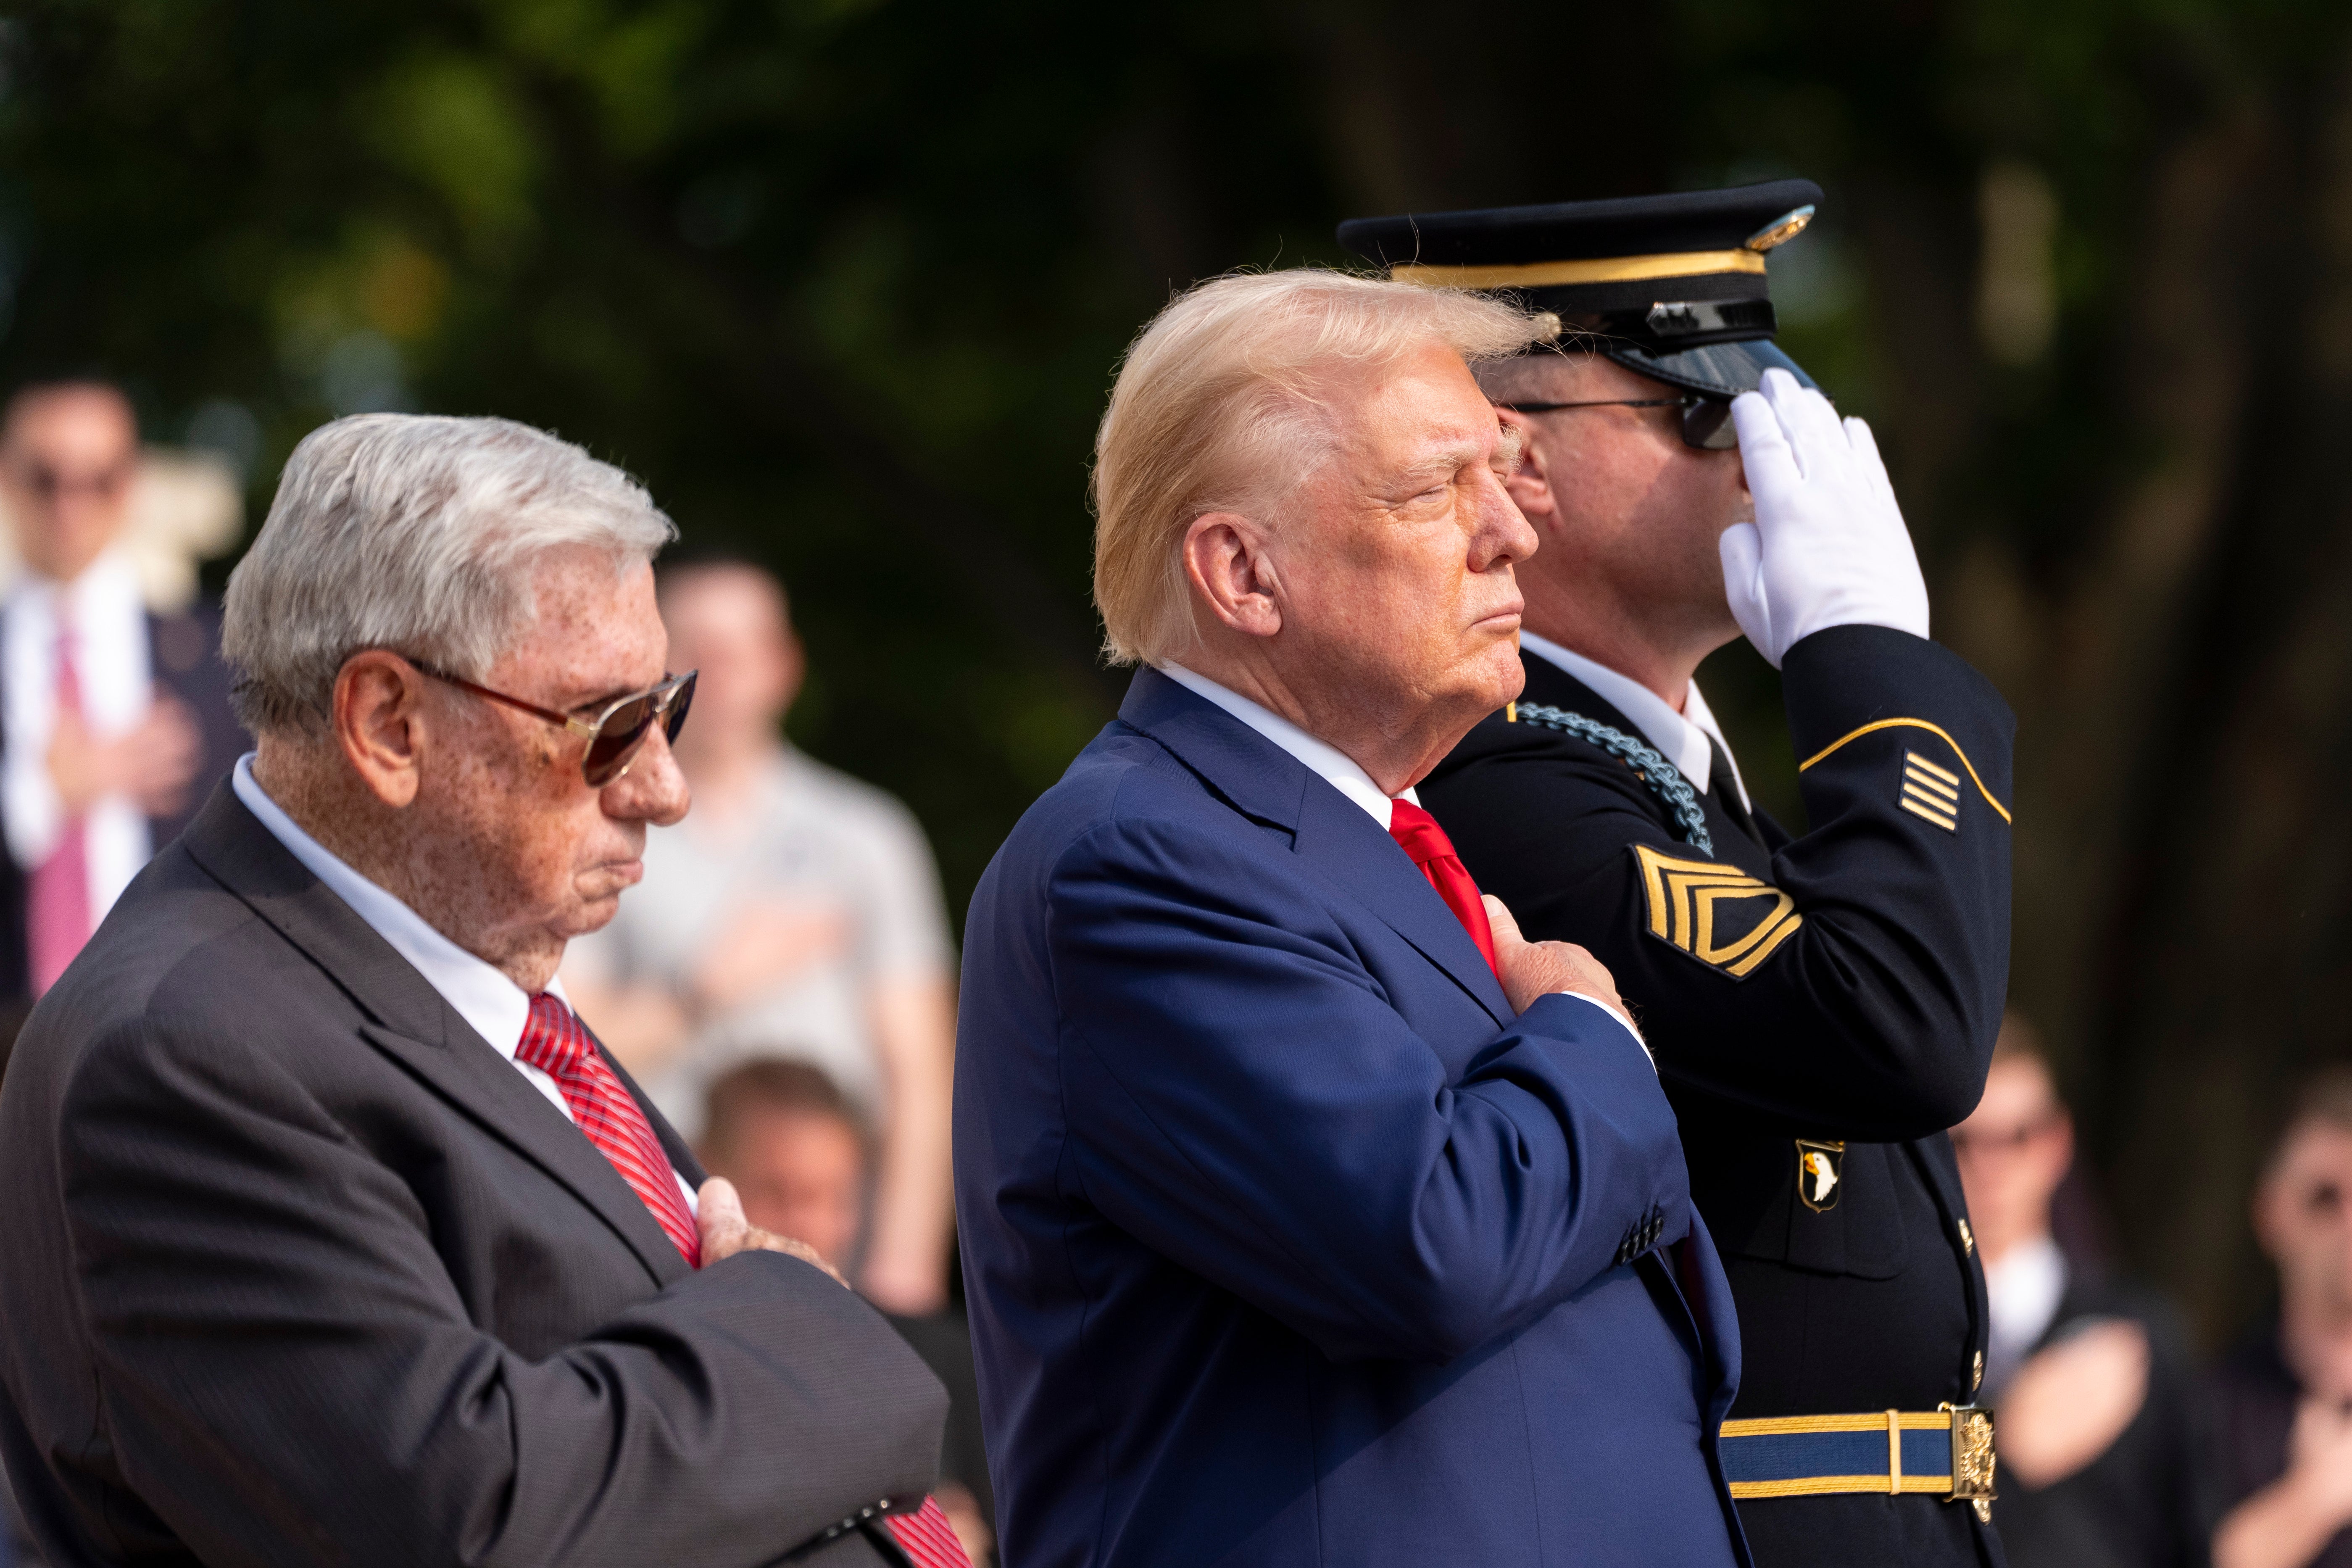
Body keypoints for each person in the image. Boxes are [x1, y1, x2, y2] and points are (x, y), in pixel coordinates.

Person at [0, 414, 969, 1568]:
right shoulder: (181, 1051)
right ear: (387, 724)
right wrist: (795, 1324)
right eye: (608, 725)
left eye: (669, 706)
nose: (664, 785)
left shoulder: (456, 967)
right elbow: (472, 1520)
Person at [958, 269, 1751, 1567]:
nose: (1512, 532)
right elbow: (1429, 1236)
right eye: (1439, 488)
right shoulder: (1142, 856)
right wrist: (1586, 1027)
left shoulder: (1352, 841)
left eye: (1498, 476)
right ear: (1239, 572)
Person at [1351, 183, 2011, 1568]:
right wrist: (1872, 670)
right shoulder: (1512, 799)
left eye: (1777, 402)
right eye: (1704, 411)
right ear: (1513, 461)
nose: (1760, 459)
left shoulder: (1681, 793)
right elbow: (1896, 1026)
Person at [564, 557, 957, 1314]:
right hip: (662, 1232)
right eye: (695, 650)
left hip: (834, 1232)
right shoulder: (601, 830)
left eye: (741, 648)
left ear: (785, 665)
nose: (719, 673)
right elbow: (571, 1046)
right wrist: (705, 990)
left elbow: (920, 1079)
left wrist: (902, 1272)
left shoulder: (867, 836)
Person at [0, 382, 245, 1033]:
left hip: (178, 1028)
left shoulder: (216, 660)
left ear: (129, 484)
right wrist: (38, 795)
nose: (70, 504)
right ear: (7, 475)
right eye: (45, 477)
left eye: (98, 479)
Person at [701, 1059, 995, 1565]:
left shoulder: (942, 1359)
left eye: (833, 1198)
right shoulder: (676, 1366)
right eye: (780, 1193)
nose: (809, 1225)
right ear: (707, 1182)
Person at [1952, 1015, 2211, 1568]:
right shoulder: (1900, 1333)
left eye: (2016, 1135)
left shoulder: (2141, 1332)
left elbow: (2193, 1534)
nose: (1989, 1164)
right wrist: (1998, 1448)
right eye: (1963, 1139)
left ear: (2056, 1141)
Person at [2210, 1067, 2352, 1568]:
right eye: (2324, 1198)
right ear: (2270, 1213)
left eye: (2017, 1138)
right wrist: (2309, 1501)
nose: (2349, 1225)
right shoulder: (2203, 1410)